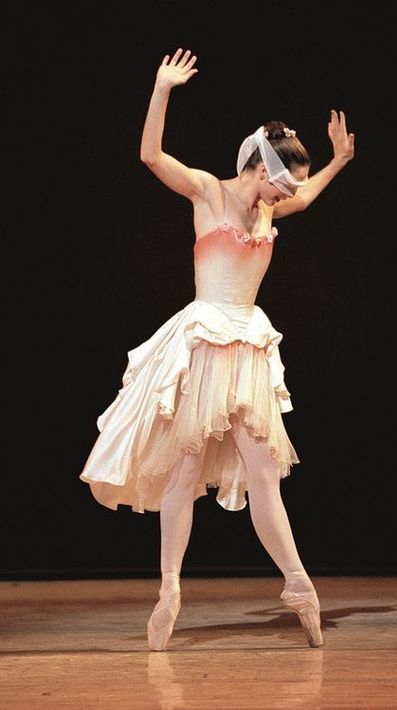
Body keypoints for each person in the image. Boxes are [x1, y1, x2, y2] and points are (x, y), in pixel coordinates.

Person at [79, 47, 355, 651]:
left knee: (265, 477)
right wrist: (161, 88)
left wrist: (337, 162)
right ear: (259, 170)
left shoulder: (267, 205)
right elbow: (150, 155)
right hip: (204, 342)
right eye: (282, 186)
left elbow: (305, 198)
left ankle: (300, 586)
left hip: (249, 347)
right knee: (183, 473)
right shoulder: (208, 192)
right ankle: (170, 590)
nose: (284, 199)